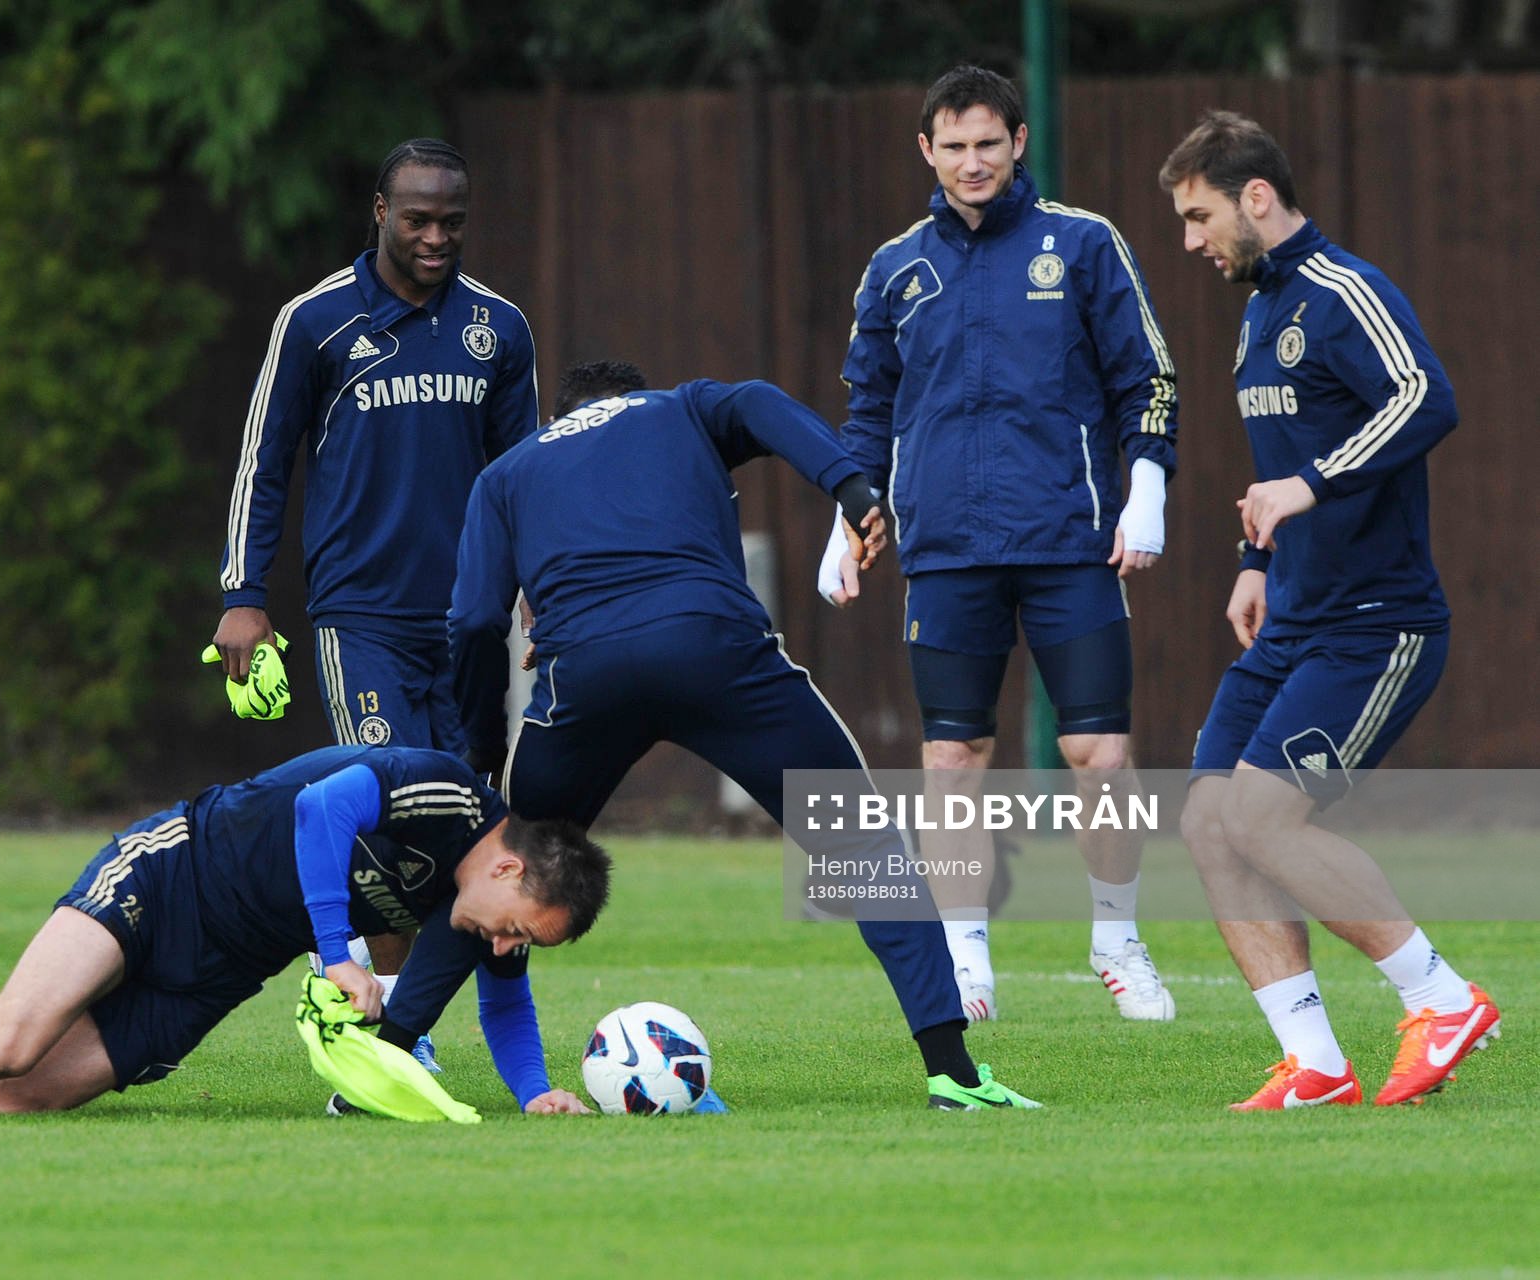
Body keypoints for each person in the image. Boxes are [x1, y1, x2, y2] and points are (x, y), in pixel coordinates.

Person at [448, 360, 1040, 1111]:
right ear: (635, 399)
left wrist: (481, 757)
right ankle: (954, 1076)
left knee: (497, 866)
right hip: (713, 647)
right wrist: (851, 487)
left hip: (586, 676)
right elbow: (761, 402)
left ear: (557, 423)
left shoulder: (508, 474)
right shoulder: (679, 407)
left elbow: (471, 622)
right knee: (865, 849)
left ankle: (394, 1050)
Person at [1160, 110, 1499, 1109]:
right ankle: (1312, 1061)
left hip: (1375, 620)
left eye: (1196, 215)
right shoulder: (1256, 312)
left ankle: (1438, 998)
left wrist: (1307, 486)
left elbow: (1423, 397)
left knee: (1262, 816)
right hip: (1294, 612)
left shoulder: (1342, 289)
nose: (1189, 240)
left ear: (1254, 198)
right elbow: (1276, 465)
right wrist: (1249, 558)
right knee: (1208, 822)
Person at [833, 64, 1179, 1023]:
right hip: (945, 547)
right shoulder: (895, 266)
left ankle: (1118, 939)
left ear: (1018, 142)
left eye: (989, 143)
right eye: (954, 146)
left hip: (1070, 538)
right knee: (954, 761)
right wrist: (847, 510)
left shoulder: (1082, 244)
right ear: (927, 152)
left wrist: (1146, 481)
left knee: (1099, 751)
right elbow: (867, 409)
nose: (973, 161)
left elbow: (1144, 377)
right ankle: (965, 959)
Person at [0, 746, 608, 1119]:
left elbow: (507, 1001)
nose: (504, 946)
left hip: (221, 969)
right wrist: (339, 956)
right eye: (517, 928)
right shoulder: (446, 792)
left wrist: (534, 1094)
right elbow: (321, 810)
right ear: (509, 869)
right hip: (174, 872)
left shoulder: (475, 912)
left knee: (31, 1099)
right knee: (5, 1042)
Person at [212, 138, 541, 1031]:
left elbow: (526, 481)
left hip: (469, 626)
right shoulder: (315, 322)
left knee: (469, 829)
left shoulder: (498, 328)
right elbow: (263, 464)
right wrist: (244, 594)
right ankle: (383, 1031)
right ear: (380, 213)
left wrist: (542, 597)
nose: (437, 237)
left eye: (453, 221)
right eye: (419, 219)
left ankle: (402, 1025)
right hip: (359, 617)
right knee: (393, 822)